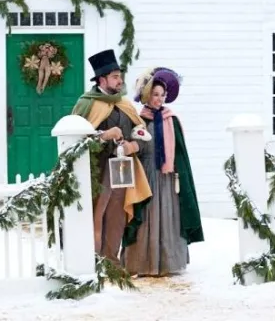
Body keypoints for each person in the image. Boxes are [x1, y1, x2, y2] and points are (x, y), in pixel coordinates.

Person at [71, 49, 152, 265]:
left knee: (117, 216)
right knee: (96, 215)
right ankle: (92, 262)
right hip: (96, 171)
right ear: (102, 79)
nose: (120, 81)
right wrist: (103, 135)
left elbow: (143, 135)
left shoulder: (125, 104)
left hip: (123, 170)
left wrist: (133, 145)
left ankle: (111, 262)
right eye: (115, 77)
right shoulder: (87, 104)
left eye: (120, 76)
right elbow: (74, 138)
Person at [122, 67, 204, 277]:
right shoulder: (140, 120)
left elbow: (179, 152)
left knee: (168, 215)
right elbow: (138, 145)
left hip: (167, 177)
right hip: (146, 174)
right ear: (147, 95)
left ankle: (167, 262)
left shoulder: (171, 119)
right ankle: (143, 262)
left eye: (162, 95)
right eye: (155, 94)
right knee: (146, 213)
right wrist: (131, 147)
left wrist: (178, 172)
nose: (159, 99)